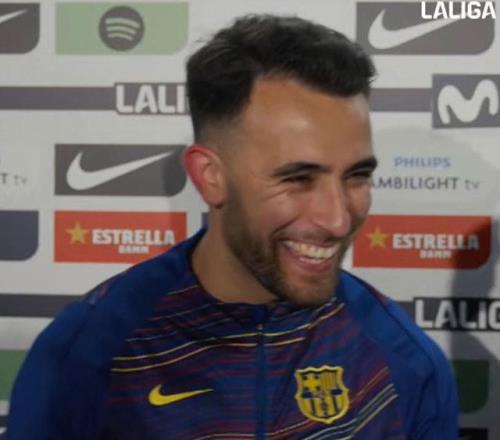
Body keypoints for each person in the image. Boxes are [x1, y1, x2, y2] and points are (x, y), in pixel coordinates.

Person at [7, 14, 458, 440]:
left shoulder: (404, 360)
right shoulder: (88, 352)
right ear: (210, 177)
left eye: (356, 176)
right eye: (298, 178)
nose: (338, 219)